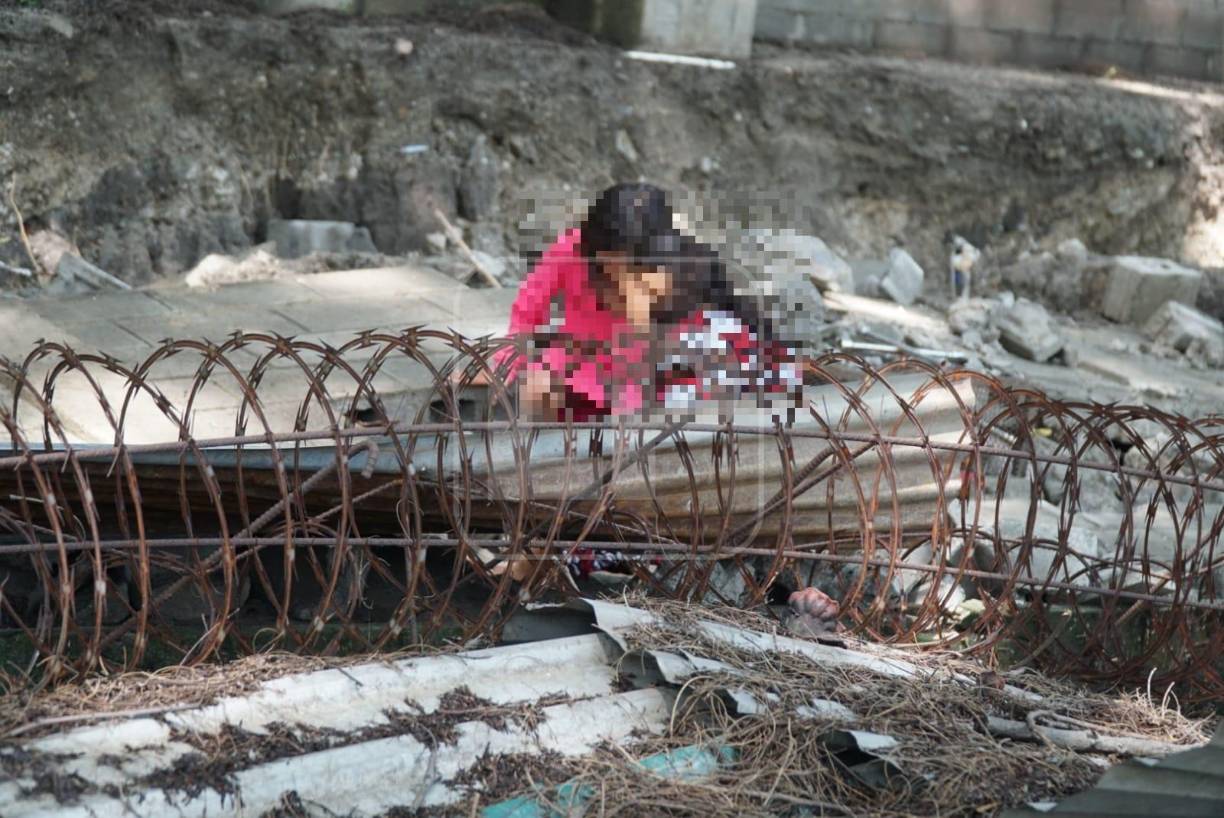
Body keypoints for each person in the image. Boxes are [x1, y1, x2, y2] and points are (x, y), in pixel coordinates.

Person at [498, 183, 800, 423]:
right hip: (582, 356)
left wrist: (628, 413)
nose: (610, 264)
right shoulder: (571, 251)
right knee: (536, 385)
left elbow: (641, 353)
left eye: (622, 257)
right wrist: (504, 367)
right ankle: (552, 462)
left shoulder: (662, 272)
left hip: (655, 362)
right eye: (606, 256)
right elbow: (528, 308)